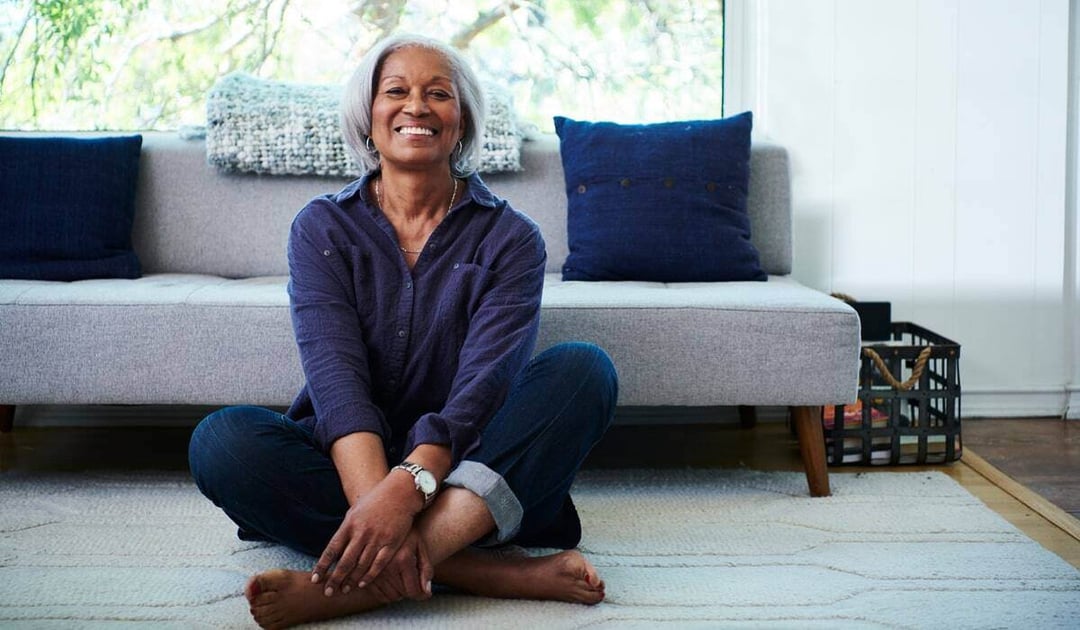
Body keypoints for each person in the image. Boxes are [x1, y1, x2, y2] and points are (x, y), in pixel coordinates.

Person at [188, 33, 618, 629]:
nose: (416, 106)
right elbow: (337, 386)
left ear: (460, 122)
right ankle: (485, 573)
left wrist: (411, 486)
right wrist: (381, 498)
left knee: (583, 370)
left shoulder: (512, 238)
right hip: (350, 462)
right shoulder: (321, 228)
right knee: (221, 441)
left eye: (437, 94)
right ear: (368, 117)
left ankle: (357, 585)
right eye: (396, 91)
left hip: (469, 466)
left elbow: (483, 389)